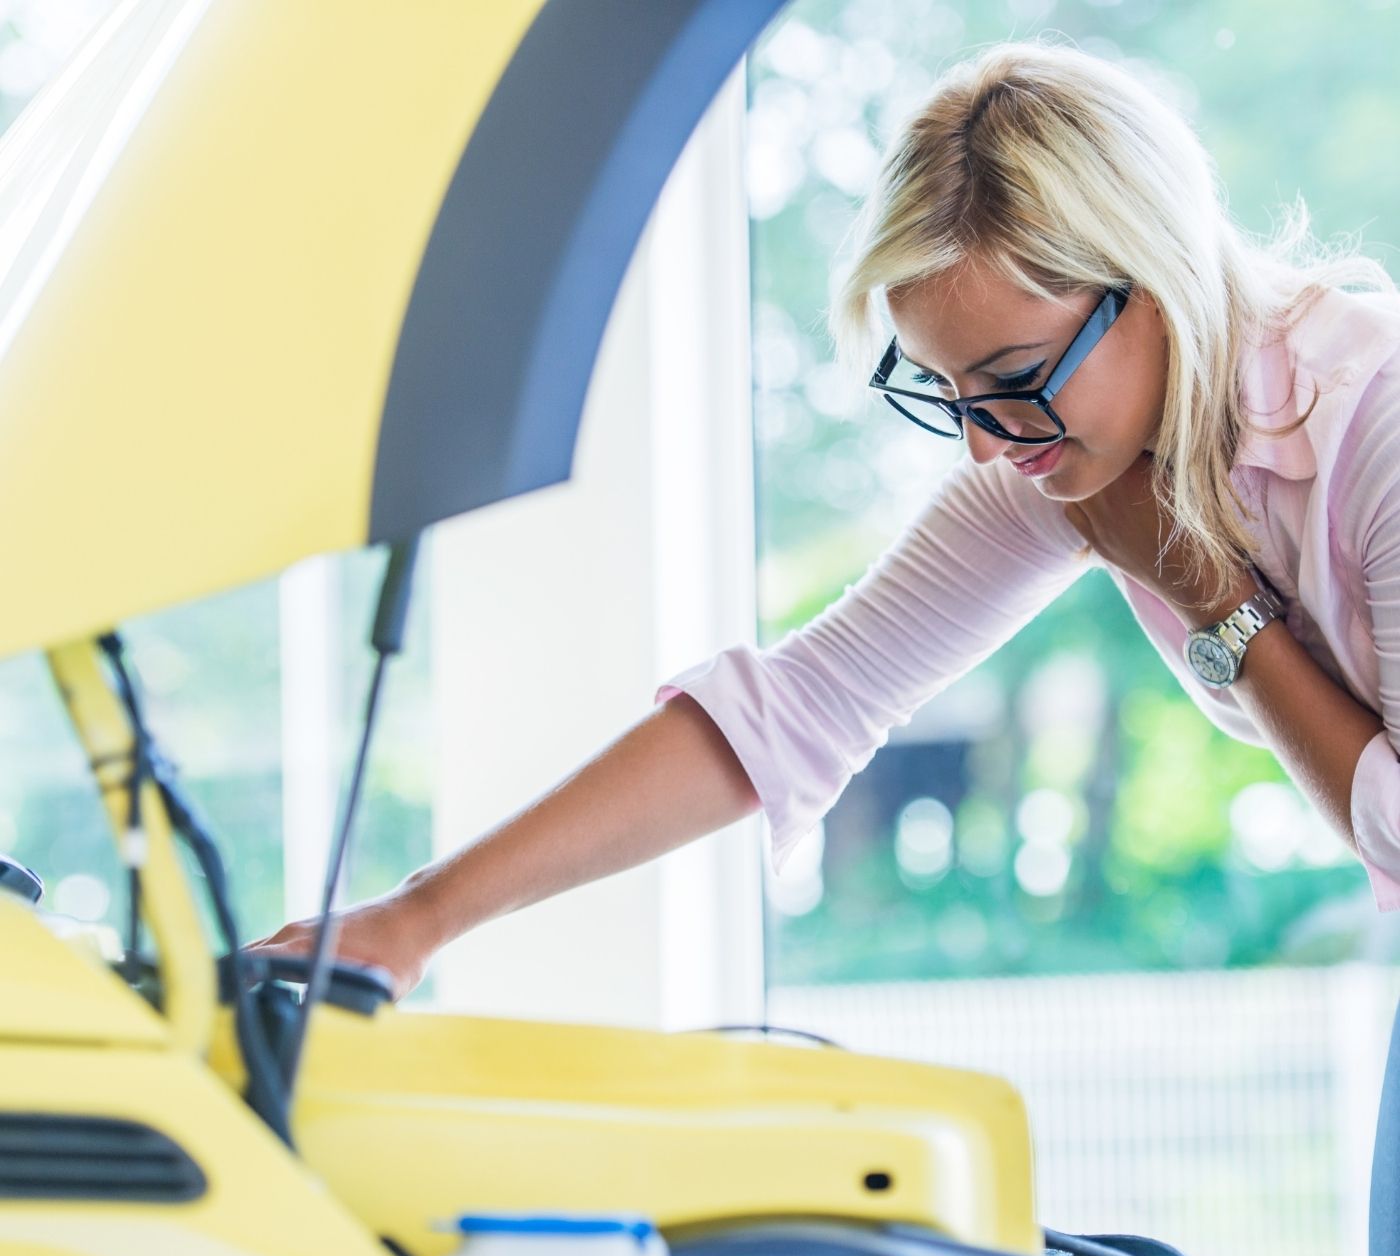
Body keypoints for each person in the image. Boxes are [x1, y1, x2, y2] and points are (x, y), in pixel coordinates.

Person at [249, 38, 1400, 1003]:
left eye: (1012, 378)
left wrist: (1214, 600)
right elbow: (801, 702)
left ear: (1149, 285)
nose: (989, 444)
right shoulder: (1084, 459)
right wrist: (417, 917)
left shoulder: (1376, 426)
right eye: (945, 393)